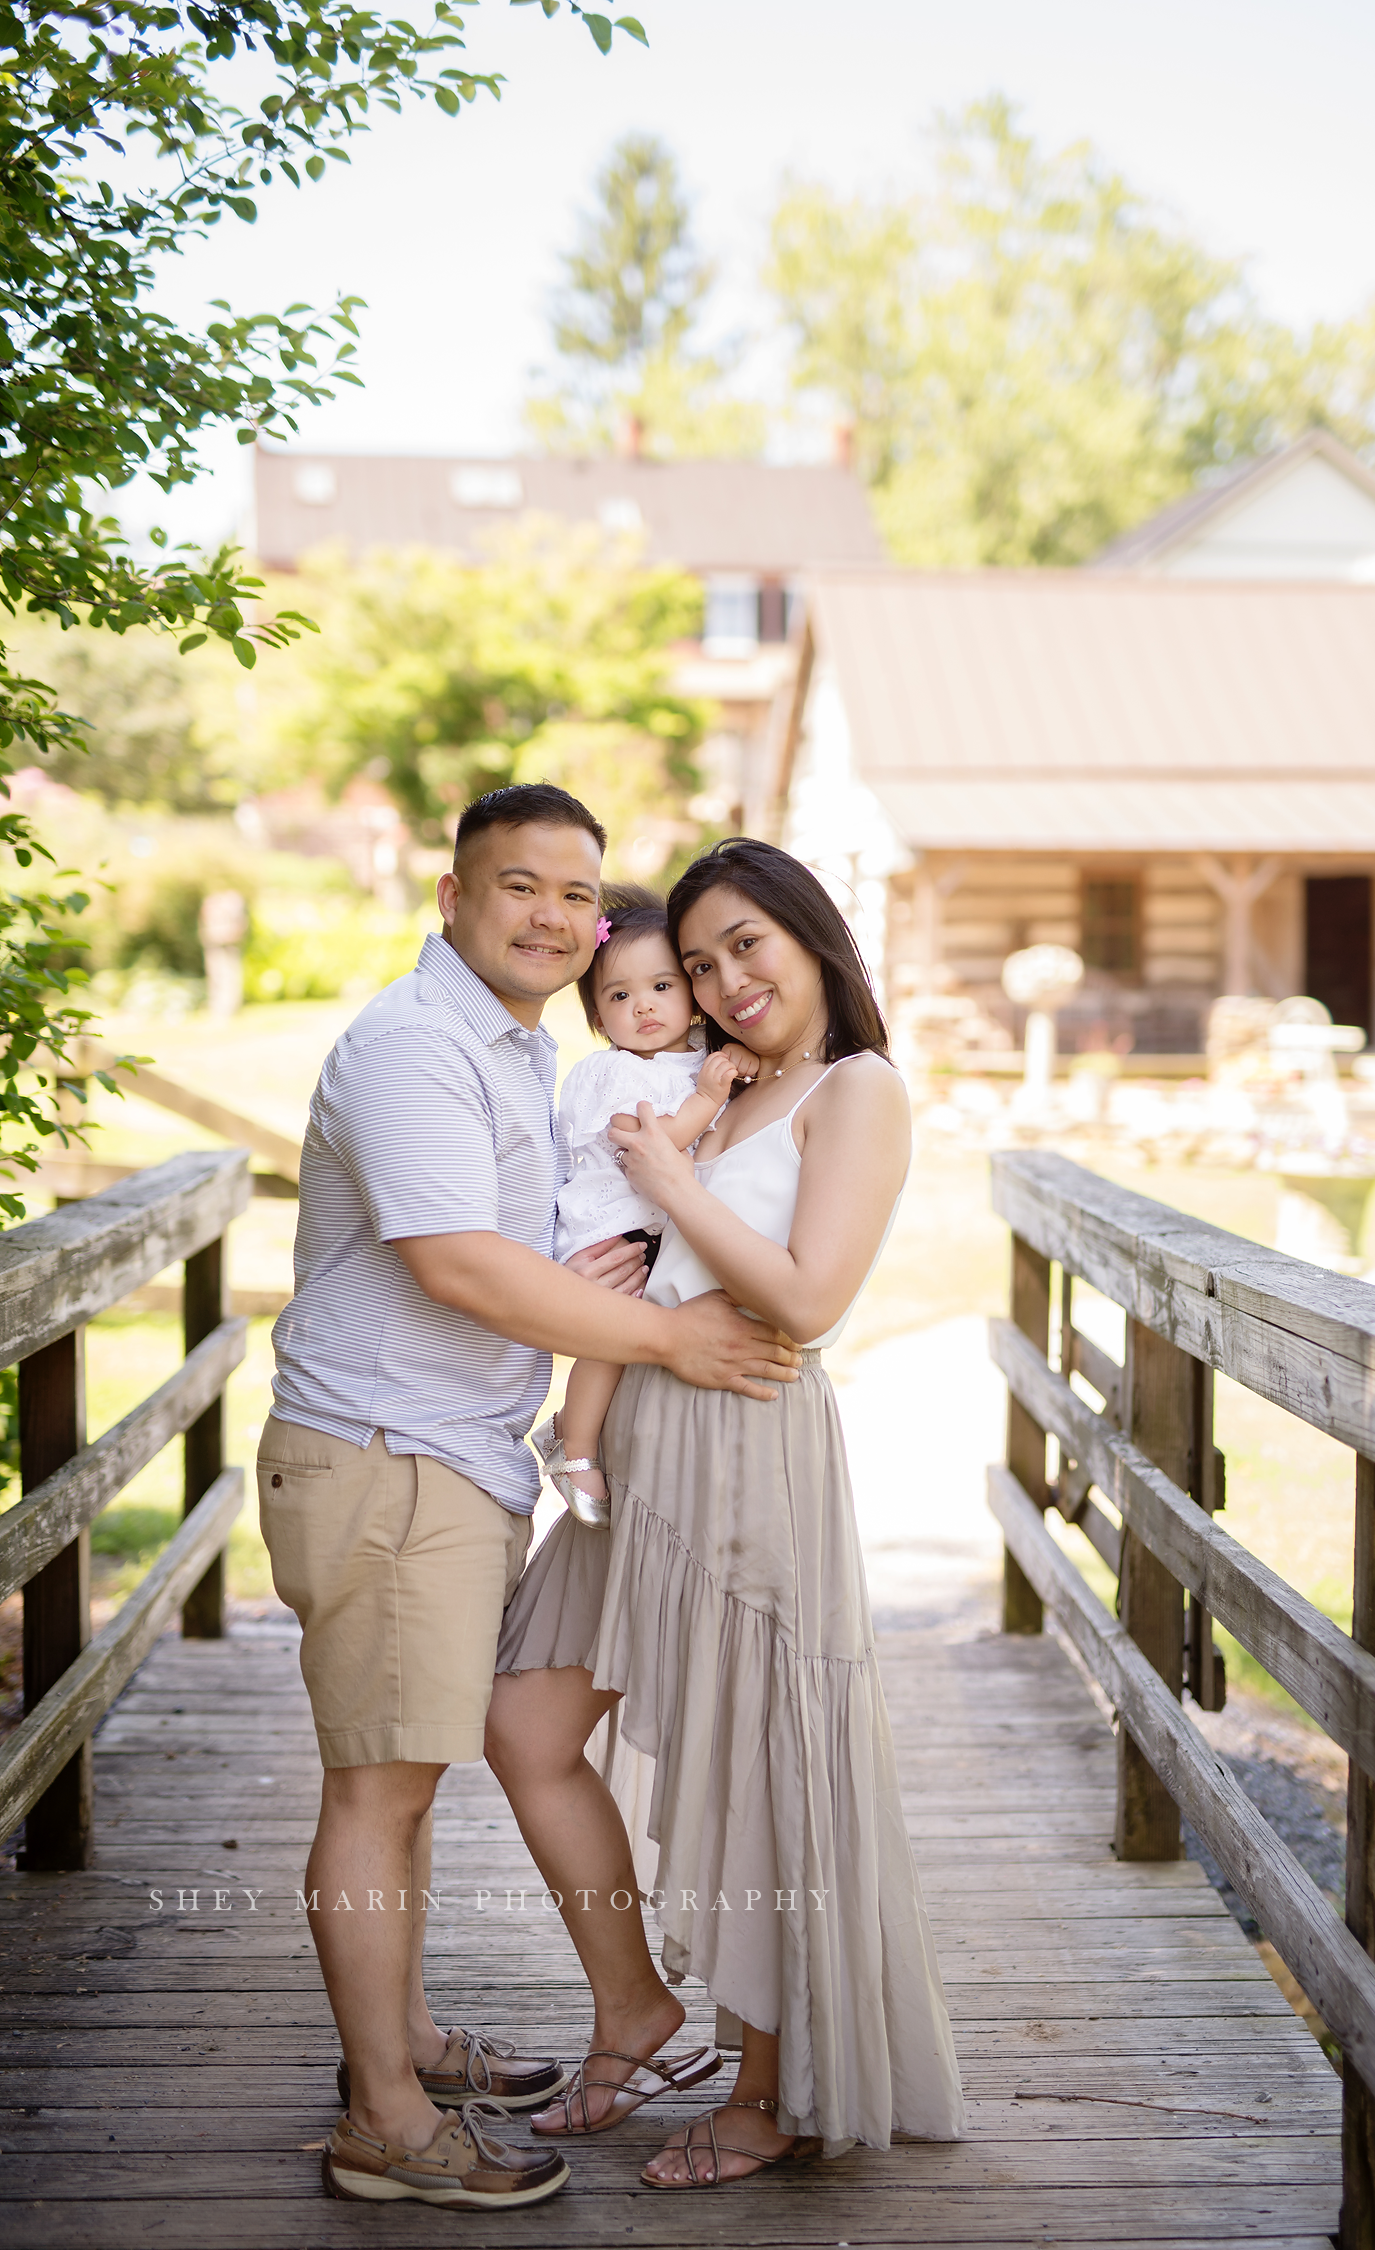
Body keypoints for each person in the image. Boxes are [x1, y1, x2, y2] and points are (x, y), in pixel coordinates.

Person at [258, 785, 800, 2213]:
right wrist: (671, 1336)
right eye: (521, 886)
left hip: (454, 1456)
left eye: (578, 892)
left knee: (409, 1777)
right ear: (452, 897)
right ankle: (385, 2117)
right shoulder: (412, 1047)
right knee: (379, 1789)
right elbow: (455, 1261)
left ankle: (410, 2044)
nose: (555, 915)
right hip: (387, 1450)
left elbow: (541, 1239)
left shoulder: (517, 1049)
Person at [489, 836, 965, 2192]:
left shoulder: (857, 1088)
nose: (726, 979)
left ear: (811, 936)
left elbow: (811, 1299)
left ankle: (770, 2089)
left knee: (754, 1759)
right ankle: (634, 2007)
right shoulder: (719, 1085)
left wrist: (675, 1188)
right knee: (523, 1722)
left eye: (747, 945)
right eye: (699, 963)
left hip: (747, 1450)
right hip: (635, 1437)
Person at [538, 884, 757, 1527]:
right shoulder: (614, 1075)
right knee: (610, 1337)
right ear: (600, 1019)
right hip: (612, 1228)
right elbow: (649, 1145)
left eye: (662, 986)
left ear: (692, 993)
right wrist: (707, 1100)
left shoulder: (696, 1061)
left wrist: (718, 1075)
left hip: (657, 1225)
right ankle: (572, 1444)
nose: (645, 1007)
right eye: (620, 995)